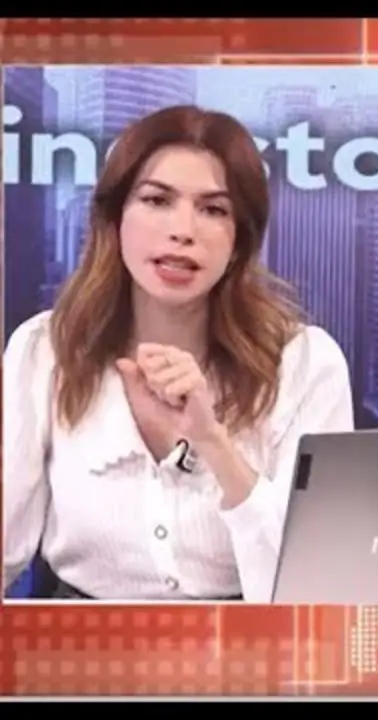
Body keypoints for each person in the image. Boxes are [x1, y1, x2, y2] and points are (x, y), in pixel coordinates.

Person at [2, 105, 354, 603]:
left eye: (214, 210)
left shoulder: (306, 363)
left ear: (240, 240)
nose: (183, 230)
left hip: (254, 644)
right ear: (114, 218)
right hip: (82, 642)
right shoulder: (46, 351)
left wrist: (213, 442)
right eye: (157, 200)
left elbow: (325, 584)